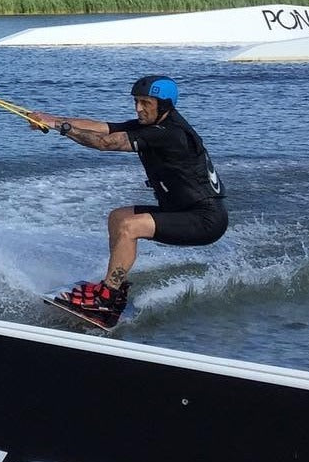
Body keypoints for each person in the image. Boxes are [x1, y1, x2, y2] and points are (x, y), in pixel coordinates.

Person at [29, 75, 227, 327]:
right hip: (182, 210)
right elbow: (105, 127)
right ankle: (115, 291)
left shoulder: (169, 133)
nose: (138, 108)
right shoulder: (154, 125)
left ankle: (106, 298)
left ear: (164, 105)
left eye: (145, 103)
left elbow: (105, 142)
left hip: (205, 219)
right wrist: (51, 119)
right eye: (136, 101)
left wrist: (63, 129)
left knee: (129, 227)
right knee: (119, 217)